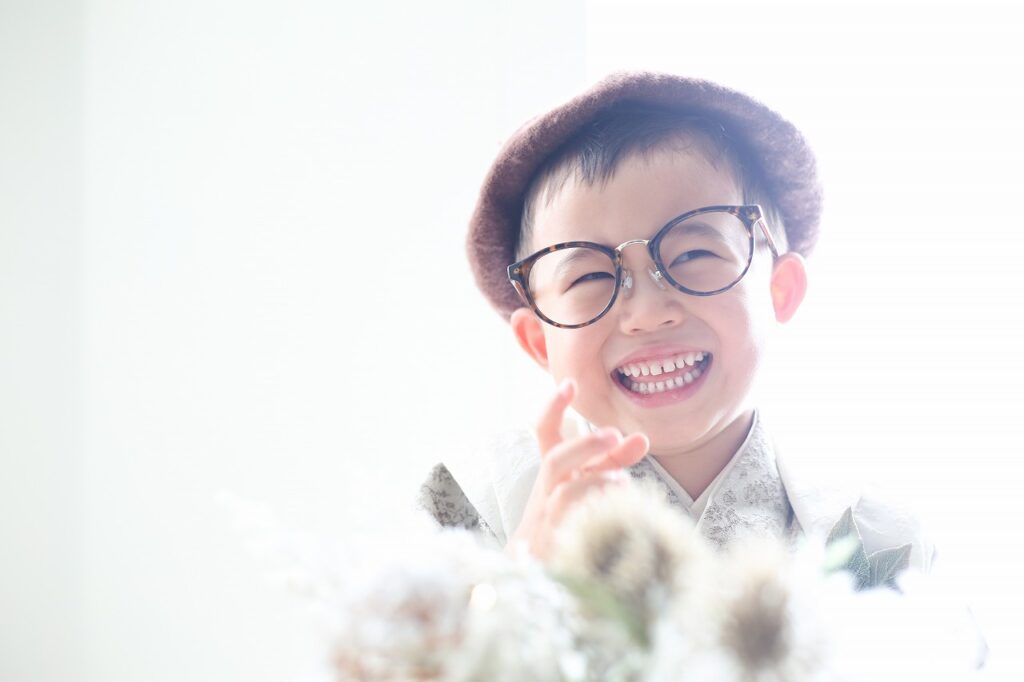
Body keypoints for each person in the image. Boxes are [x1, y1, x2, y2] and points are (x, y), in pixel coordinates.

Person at [416, 71, 934, 576]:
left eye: (693, 255)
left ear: (781, 289)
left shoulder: (880, 538)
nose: (647, 312)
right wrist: (519, 582)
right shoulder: (472, 510)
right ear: (538, 342)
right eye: (589, 277)